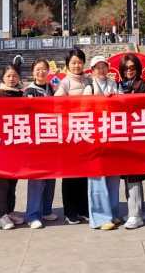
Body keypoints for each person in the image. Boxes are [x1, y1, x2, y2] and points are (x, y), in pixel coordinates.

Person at [54, 48, 91, 224]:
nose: (77, 65)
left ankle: (83, 209)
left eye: (79, 62)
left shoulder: (88, 80)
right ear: (68, 65)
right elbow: (57, 104)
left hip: (86, 132)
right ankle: (70, 212)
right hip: (70, 133)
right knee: (70, 174)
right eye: (73, 62)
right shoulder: (65, 83)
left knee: (84, 173)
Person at [86, 55, 122, 230]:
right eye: (97, 67)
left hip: (112, 134)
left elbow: (123, 103)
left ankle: (113, 213)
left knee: (114, 176)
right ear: (92, 70)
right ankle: (100, 218)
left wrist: (115, 98)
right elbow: (83, 108)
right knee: (97, 176)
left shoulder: (114, 84)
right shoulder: (89, 86)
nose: (101, 70)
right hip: (95, 136)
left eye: (103, 66)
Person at [24, 58, 57, 229]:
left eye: (44, 69)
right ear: (33, 72)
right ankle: (32, 215)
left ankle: (46, 210)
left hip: (51, 138)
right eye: (38, 69)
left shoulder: (52, 88)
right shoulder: (29, 91)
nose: (41, 72)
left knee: (50, 177)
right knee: (37, 179)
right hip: (36, 141)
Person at [118, 54, 145, 229]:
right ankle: (140, 210)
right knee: (127, 175)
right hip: (123, 135)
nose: (129, 71)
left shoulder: (143, 86)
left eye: (132, 68)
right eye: (126, 68)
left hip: (138, 136)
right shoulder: (119, 86)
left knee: (133, 174)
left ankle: (135, 215)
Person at [0, 65, 25, 230]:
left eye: (14, 76)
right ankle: (2, 215)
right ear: (3, 78)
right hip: (2, 144)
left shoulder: (21, 94)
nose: (11, 79)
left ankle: (10, 211)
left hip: (17, 143)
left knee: (13, 179)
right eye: (8, 76)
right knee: (3, 180)